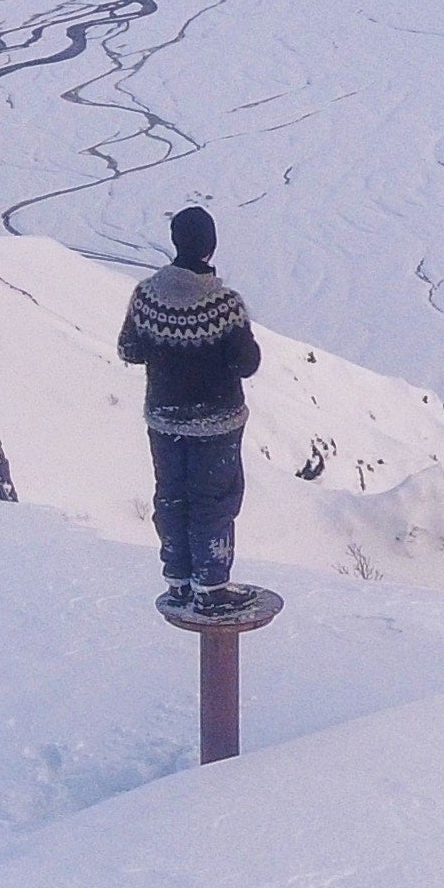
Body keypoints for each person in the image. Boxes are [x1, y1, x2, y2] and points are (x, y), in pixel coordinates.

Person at [118, 204, 262, 611]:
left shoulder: (146, 295)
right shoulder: (224, 305)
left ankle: (178, 579)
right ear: (210, 248)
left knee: (171, 497)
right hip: (216, 425)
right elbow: (247, 364)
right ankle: (212, 589)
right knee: (213, 502)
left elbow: (129, 349)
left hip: (164, 420)